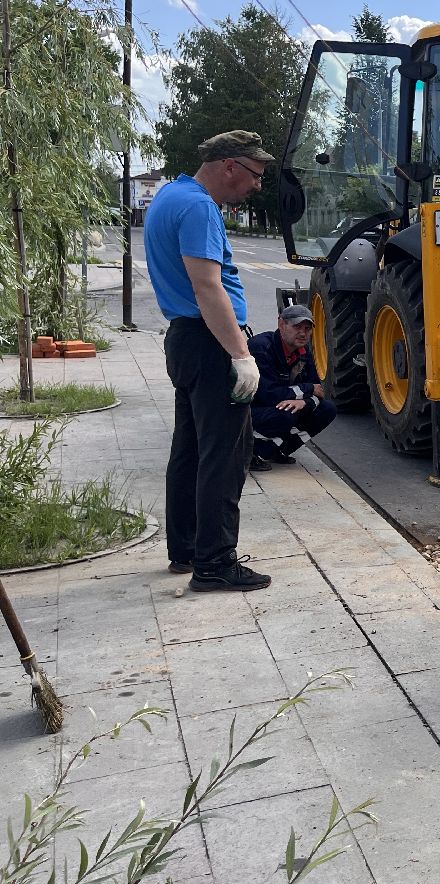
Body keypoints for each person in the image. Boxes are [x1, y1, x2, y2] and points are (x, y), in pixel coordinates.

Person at [144, 130, 273, 593]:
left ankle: (186, 549)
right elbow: (207, 287)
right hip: (210, 342)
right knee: (225, 455)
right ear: (230, 166)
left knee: (191, 449)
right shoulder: (198, 207)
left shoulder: (171, 195)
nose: (257, 185)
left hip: (186, 340)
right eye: (255, 174)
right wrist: (241, 354)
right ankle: (216, 562)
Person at [247, 303, 337, 470]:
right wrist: (306, 390)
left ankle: (278, 450)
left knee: (327, 409)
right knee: (286, 416)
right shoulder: (260, 348)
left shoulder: (303, 351)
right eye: (297, 327)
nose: (303, 333)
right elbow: (269, 395)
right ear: (281, 324)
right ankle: (250, 453)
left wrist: (305, 402)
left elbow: (320, 390)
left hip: (280, 406)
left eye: (307, 328)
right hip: (248, 411)